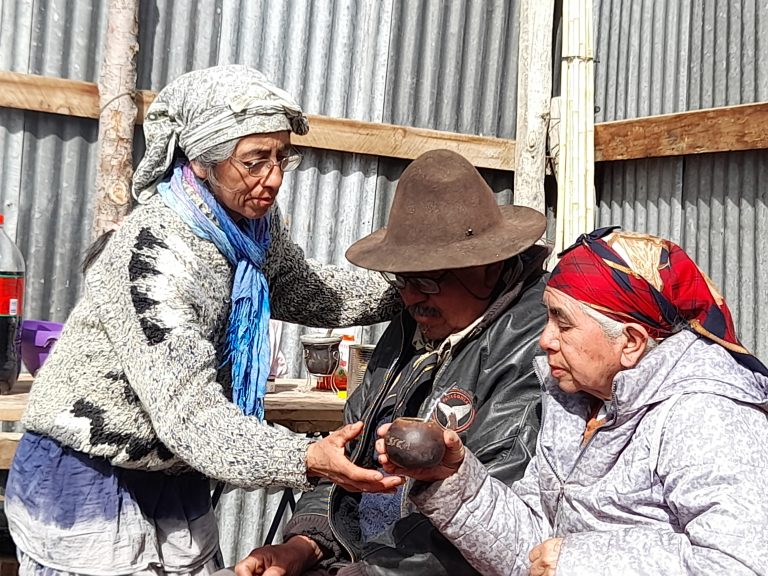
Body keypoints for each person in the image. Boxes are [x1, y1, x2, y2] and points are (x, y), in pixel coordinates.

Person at [4, 65, 403, 576]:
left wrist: (408, 288)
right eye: (255, 161)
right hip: (88, 475)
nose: (274, 178)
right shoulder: (155, 256)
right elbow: (190, 415)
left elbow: (308, 293)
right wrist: (305, 458)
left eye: (283, 157)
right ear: (202, 159)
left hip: (169, 473)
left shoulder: (250, 227)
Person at [377, 226, 768, 576]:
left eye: (563, 324)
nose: (545, 340)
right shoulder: (576, 403)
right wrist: (454, 480)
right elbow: (532, 551)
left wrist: (580, 562)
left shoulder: (706, 417)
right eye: (547, 319)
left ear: (630, 343)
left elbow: (742, 563)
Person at [235, 149, 550, 576]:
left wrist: (368, 572)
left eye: (426, 280)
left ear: (487, 269)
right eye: (402, 280)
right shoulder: (414, 324)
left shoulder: (531, 345)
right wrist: (306, 542)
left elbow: (487, 524)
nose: (410, 296)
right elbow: (347, 449)